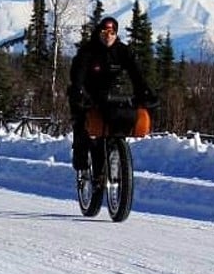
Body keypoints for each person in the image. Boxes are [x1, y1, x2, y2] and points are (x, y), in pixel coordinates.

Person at [67, 16, 156, 178]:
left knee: (117, 120)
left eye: (112, 32)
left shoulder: (122, 51)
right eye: (104, 32)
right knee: (82, 125)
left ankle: (115, 154)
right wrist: (78, 91)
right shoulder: (88, 50)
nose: (108, 35)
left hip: (111, 95)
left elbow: (136, 74)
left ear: (116, 34)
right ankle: (83, 163)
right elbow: (78, 74)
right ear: (99, 32)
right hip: (87, 92)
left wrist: (145, 92)